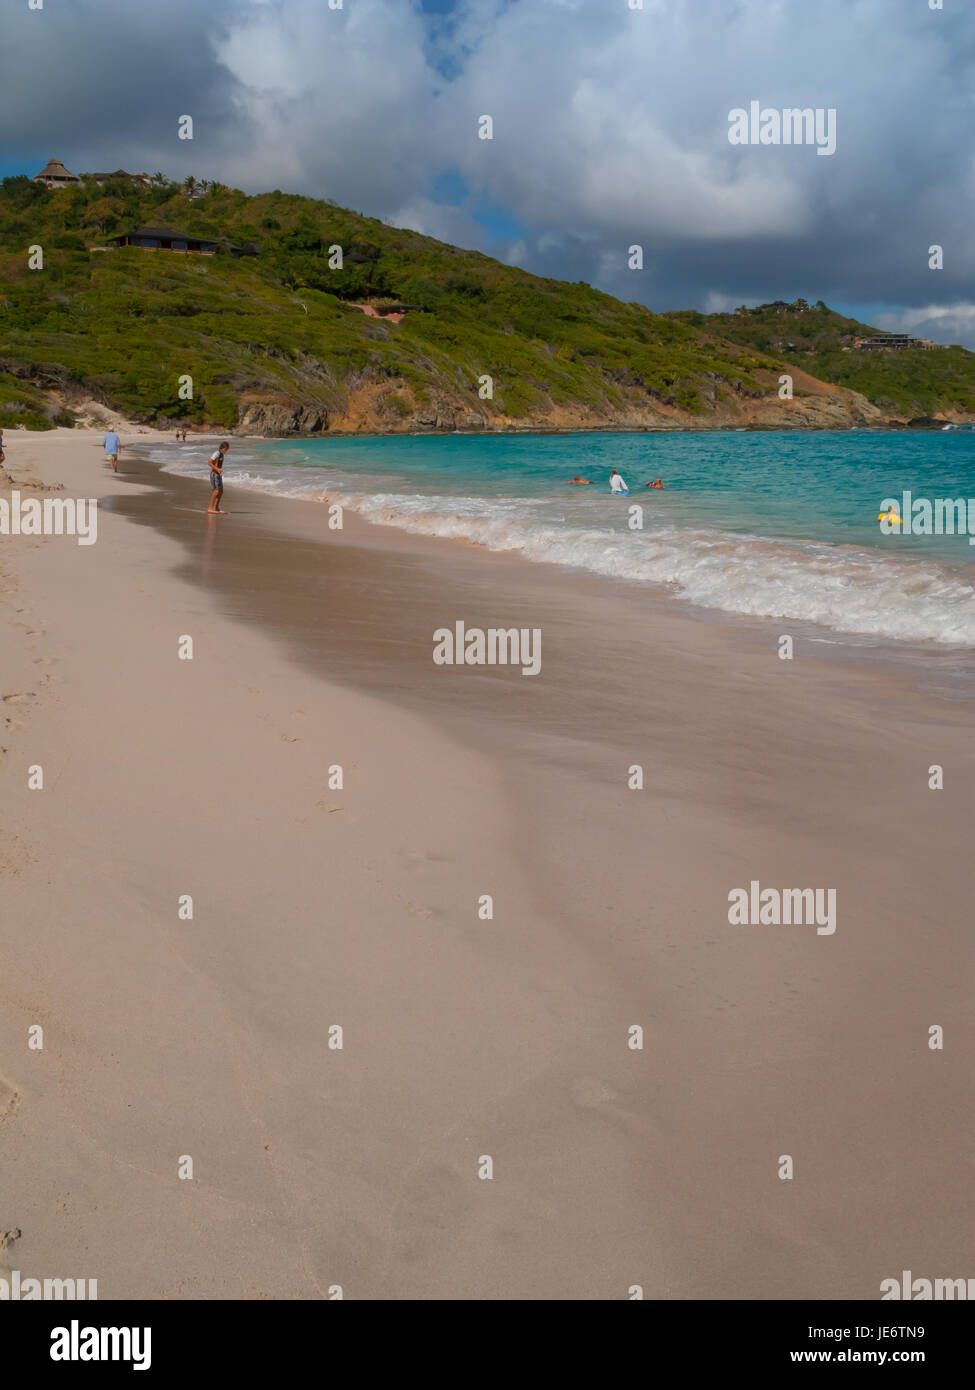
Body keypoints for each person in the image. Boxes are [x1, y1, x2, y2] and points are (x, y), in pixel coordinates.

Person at [207, 441, 229, 513]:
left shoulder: (222, 454)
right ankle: (210, 508)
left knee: (221, 491)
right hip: (214, 474)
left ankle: (216, 508)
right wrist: (217, 469)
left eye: (227, 449)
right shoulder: (217, 453)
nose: (226, 451)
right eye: (226, 449)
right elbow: (209, 462)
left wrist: (219, 471)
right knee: (216, 491)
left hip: (218, 475)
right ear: (222, 448)